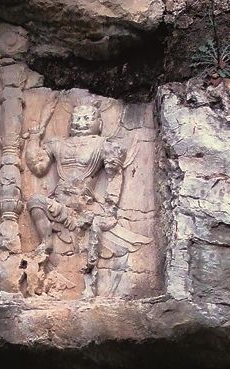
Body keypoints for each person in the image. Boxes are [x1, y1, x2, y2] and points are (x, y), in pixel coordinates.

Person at [25, 101, 149, 298]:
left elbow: (114, 176)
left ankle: (92, 284)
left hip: (86, 205)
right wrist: (34, 137)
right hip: (60, 201)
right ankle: (46, 242)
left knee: (100, 238)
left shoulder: (103, 144)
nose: (81, 123)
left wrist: (111, 207)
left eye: (87, 118)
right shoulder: (57, 144)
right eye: (76, 118)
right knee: (35, 201)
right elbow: (38, 166)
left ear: (99, 124)